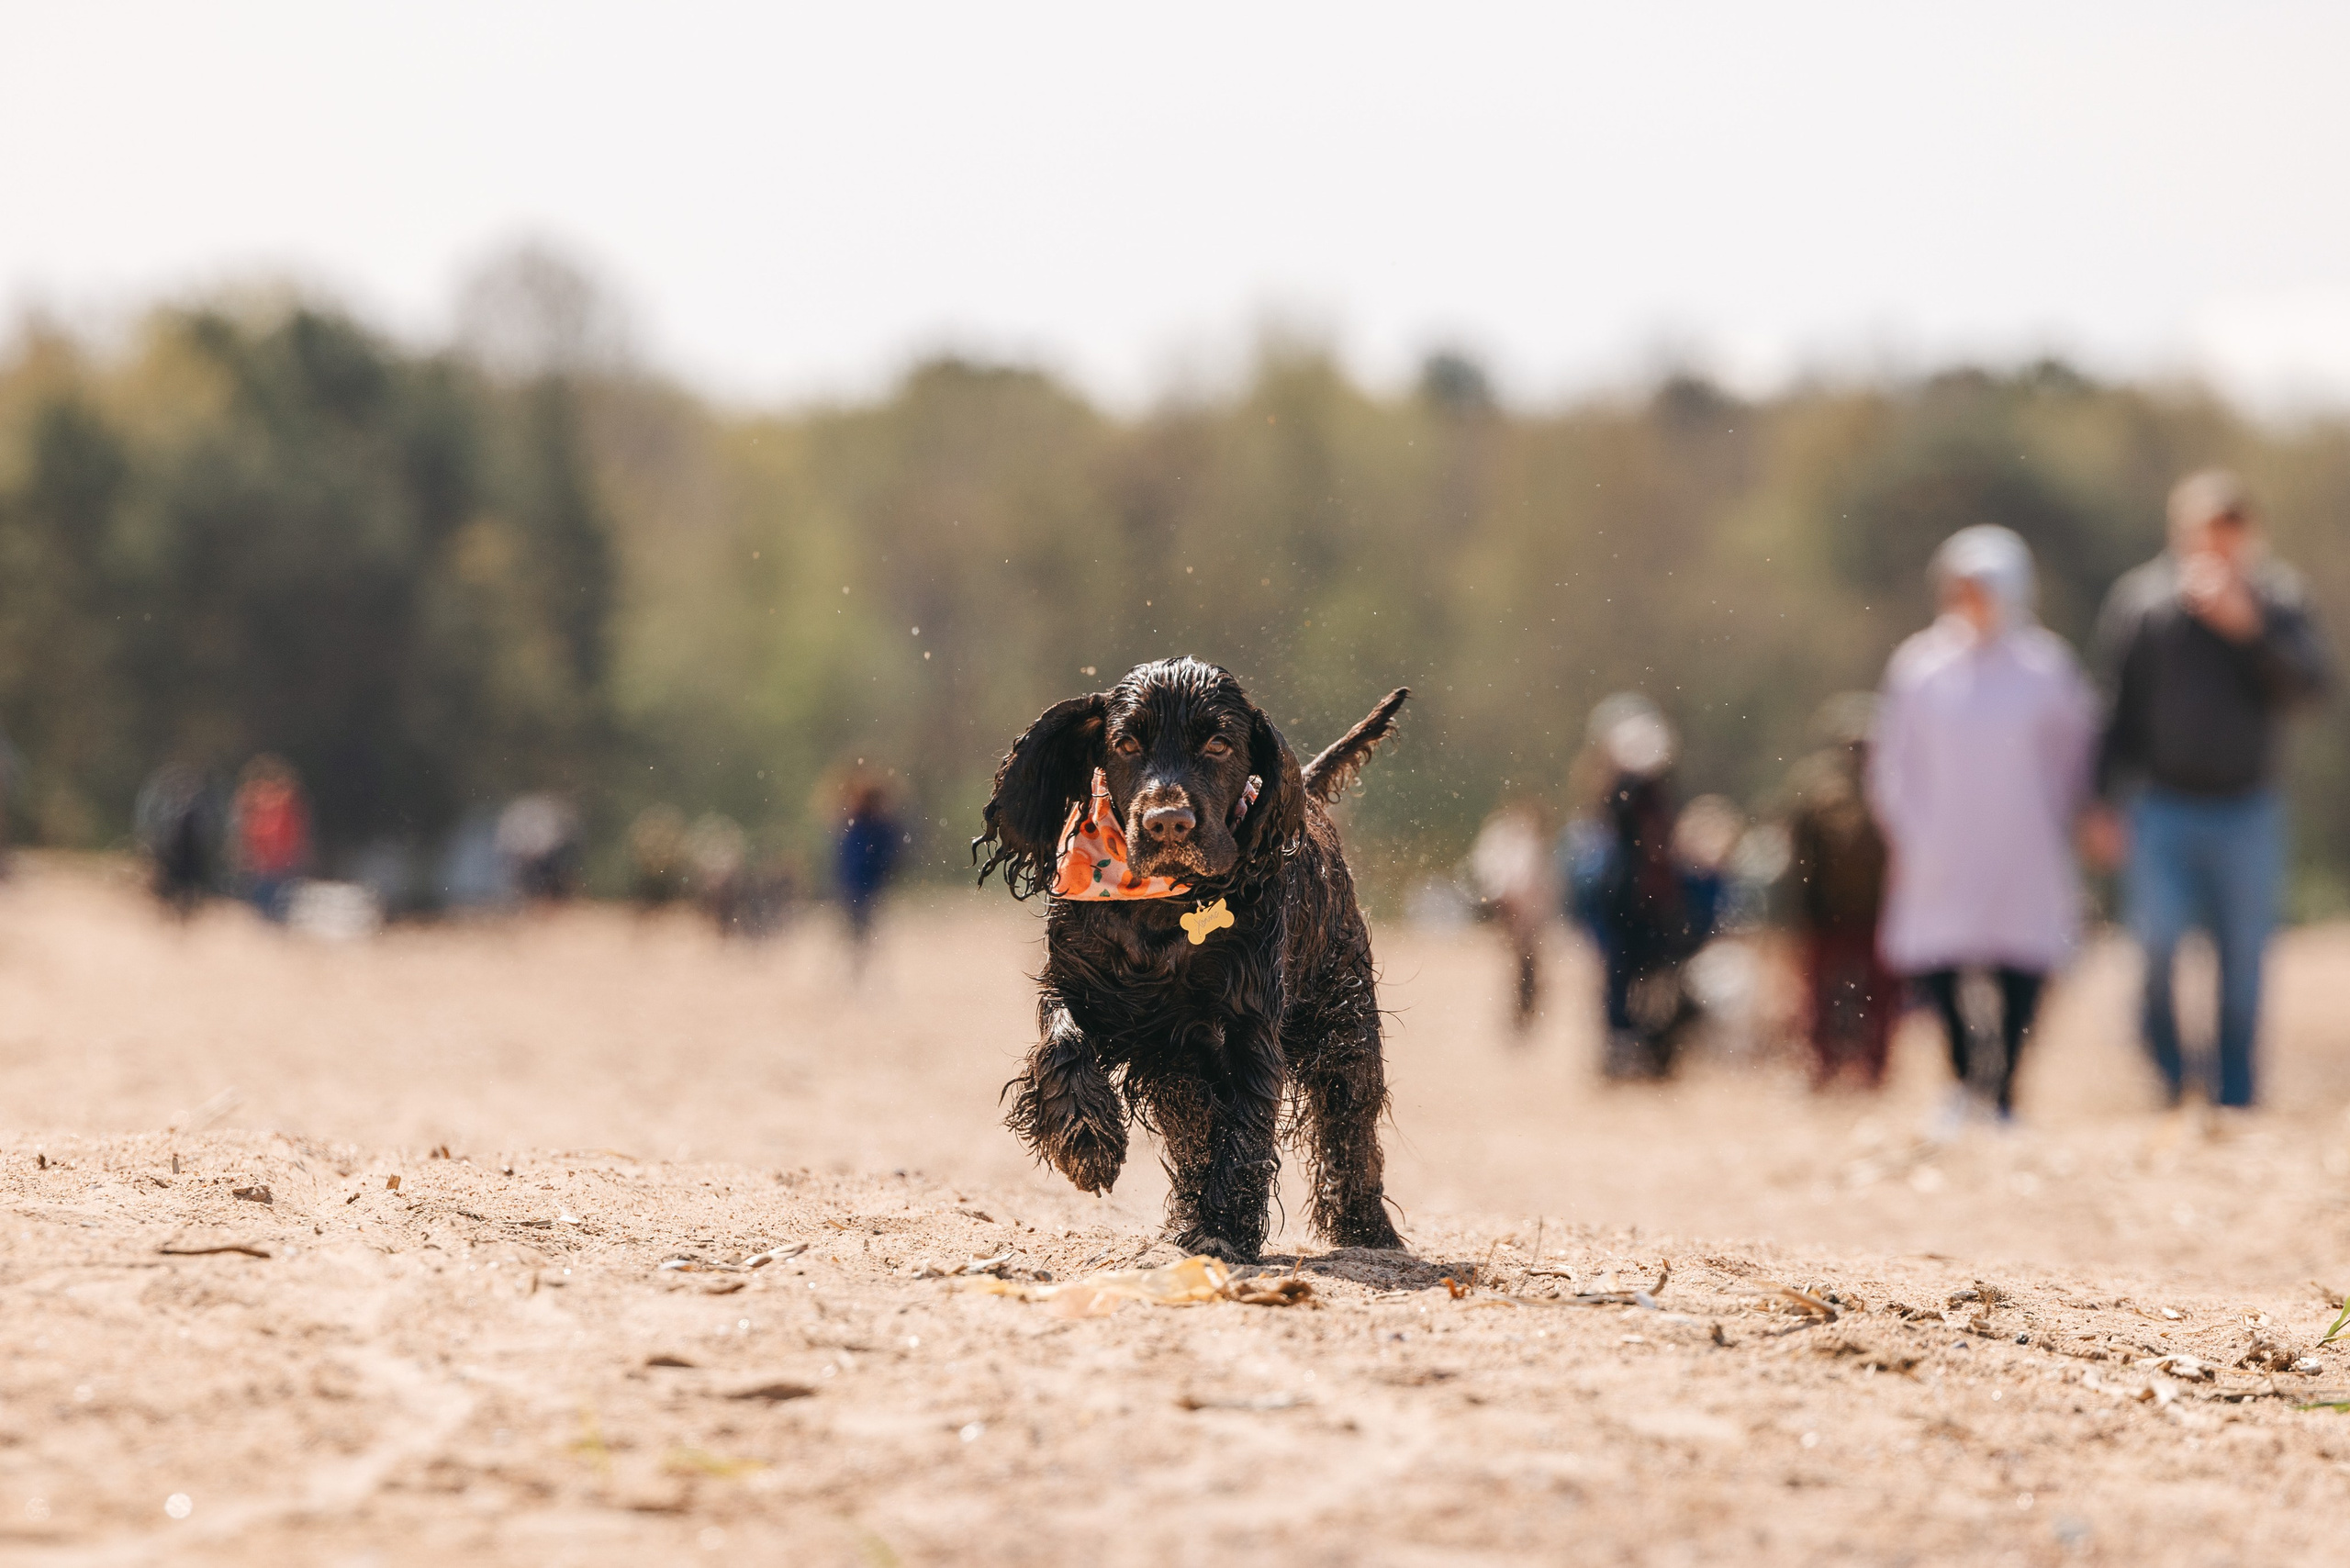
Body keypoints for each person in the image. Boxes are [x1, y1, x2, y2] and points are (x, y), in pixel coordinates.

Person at [2087, 470, 2333, 1110]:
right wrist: (2101, 800)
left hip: (2248, 807)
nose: (2219, 549)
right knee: (2159, 944)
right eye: (2206, 534)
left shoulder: (2278, 602)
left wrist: (2249, 630)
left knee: (2243, 960)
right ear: (2182, 535)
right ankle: (2171, 1070)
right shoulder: (2143, 602)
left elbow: (2312, 688)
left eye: (2232, 534)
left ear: (2250, 537)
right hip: (2163, 806)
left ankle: (2235, 1094)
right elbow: (2117, 709)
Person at [1870, 526, 2097, 1126]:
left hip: (2024, 840)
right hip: (1940, 841)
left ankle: (2004, 1092)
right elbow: (1894, 760)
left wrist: (2079, 815)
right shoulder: (1920, 666)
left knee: (2022, 961)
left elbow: (2075, 752)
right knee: (1941, 962)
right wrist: (1906, 832)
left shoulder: (2046, 667)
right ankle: (1963, 1081)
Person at [1570, 695, 1712, 1081]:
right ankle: (1623, 1050)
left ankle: (1646, 1050)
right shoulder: (1626, 794)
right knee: (1622, 977)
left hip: (1650, 900)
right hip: (1628, 899)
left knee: (1650, 978)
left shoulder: (1653, 794)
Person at [1782, 694, 1899, 1090]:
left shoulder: (1898, 786)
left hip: (1879, 913)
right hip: (1825, 913)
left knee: (1880, 998)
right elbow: (1798, 856)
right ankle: (1823, 1065)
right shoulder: (1816, 788)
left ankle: (1874, 1069)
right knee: (1819, 999)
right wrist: (1796, 913)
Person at [1469, 800, 1560, 1036]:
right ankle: (1522, 1011)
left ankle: (1523, 1011)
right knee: (1522, 963)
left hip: (1521, 911)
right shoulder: (1517, 841)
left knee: (1523, 963)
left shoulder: (1518, 842)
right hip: (1518, 910)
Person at [230, 755, 312, 923]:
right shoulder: (270, 807)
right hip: (268, 867)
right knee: (267, 908)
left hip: (274, 868)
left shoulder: (283, 807)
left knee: (272, 908)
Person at [135, 762, 219, 918]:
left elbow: (206, 834)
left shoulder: (197, 811)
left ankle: (184, 911)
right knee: (172, 884)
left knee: (188, 886)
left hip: (191, 857)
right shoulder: (171, 810)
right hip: (175, 856)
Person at [836, 776, 902, 973]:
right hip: (859, 886)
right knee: (859, 933)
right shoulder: (866, 825)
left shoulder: (870, 826)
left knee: (861, 933)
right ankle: (857, 971)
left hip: (864, 886)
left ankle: (859, 971)